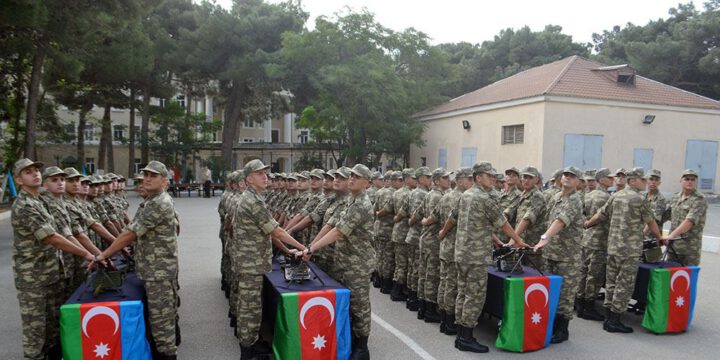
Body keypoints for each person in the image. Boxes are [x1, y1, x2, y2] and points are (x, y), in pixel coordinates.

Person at [93, 160, 180, 359]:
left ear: (164, 180)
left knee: (161, 323)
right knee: (161, 318)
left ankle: (167, 355)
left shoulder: (158, 203)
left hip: (158, 272)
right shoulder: (154, 200)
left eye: (153, 176)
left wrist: (104, 254)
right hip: (156, 268)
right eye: (145, 175)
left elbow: (130, 233)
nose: (147, 179)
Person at [11, 159, 97, 360]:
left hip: (50, 274)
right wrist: (86, 254)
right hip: (33, 279)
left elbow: (65, 233)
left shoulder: (40, 201)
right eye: (28, 172)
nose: (35, 174)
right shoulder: (24, 205)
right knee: (35, 333)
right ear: (18, 180)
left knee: (51, 329)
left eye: (36, 170)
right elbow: (51, 237)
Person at [228, 160, 307, 360]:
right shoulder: (252, 201)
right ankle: (247, 351)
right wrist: (302, 248)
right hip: (250, 263)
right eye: (259, 174)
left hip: (249, 261)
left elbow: (268, 233)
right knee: (250, 308)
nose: (265, 177)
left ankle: (250, 343)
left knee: (248, 304)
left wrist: (287, 250)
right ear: (248, 179)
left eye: (265, 173)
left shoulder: (253, 198)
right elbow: (277, 230)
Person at [304, 164, 376, 360]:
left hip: (357, 263)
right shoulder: (351, 202)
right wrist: (311, 245)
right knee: (344, 302)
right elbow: (331, 225)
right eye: (351, 175)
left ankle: (362, 347)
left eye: (357, 176)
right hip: (344, 260)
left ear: (367, 183)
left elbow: (338, 231)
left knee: (359, 305)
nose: (352, 178)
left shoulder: (361, 204)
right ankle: (349, 339)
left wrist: (311, 248)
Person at [454, 162, 528, 353]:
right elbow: (502, 223)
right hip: (476, 256)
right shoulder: (484, 198)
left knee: (463, 293)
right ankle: (467, 338)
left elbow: (475, 223)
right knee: (474, 296)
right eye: (489, 176)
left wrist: (494, 239)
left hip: (462, 253)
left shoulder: (466, 195)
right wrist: (518, 240)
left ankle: (461, 334)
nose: (493, 179)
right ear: (478, 177)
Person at [585, 168, 662, 333]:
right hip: (629, 250)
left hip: (612, 247)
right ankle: (615, 320)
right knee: (624, 284)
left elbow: (600, 216)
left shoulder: (615, 196)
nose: (645, 183)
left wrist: (586, 224)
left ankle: (608, 317)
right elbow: (651, 222)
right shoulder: (639, 199)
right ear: (633, 180)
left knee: (612, 282)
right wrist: (659, 237)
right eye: (643, 179)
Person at [533, 166, 584, 344]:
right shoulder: (555, 197)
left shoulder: (575, 200)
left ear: (578, 181)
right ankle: (550, 325)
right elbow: (548, 219)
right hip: (550, 253)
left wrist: (544, 238)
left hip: (568, 256)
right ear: (560, 178)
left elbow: (560, 221)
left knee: (565, 294)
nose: (568, 178)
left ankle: (562, 330)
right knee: (551, 290)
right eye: (566, 175)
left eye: (572, 176)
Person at [437, 167, 473, 335]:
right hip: (454, 247)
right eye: (469, 179)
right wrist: (444, 231)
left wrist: (442, 233)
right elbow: (452, 220)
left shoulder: (446, 197)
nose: (472, 182)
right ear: (460, 181)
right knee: (451, 286)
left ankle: (444, 319)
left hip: (445, 245)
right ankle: (449, 322)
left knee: (444, 283)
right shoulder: (461, 197)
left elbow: (435, 216)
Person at [576, 168, 613, 321]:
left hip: (587, 239)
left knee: (583, 272)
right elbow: (605, 217)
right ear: (601, 179)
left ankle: (579, 304)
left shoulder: (588, 195)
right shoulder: (606, 197)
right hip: (600, 240)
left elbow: (582, 214)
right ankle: (589, 307)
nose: (612, 180)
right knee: (594, 276)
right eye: (609, 178)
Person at [663, 169, 708, 266]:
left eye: (693, 179)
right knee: (670, 278)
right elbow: (664, 216)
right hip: (673, 248)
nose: (690, 182)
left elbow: (689, 222)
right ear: (681, 181)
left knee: (687, 279)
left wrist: (671, 235)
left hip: (689, 250)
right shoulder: (675, 197)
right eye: (687, 179)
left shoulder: (699, 199)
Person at [510, 166, 547, 269]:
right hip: (520, 243)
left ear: (536, 180)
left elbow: (527, 219)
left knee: (531, 279)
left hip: (531, 246)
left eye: (530, 178)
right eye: (524, 177)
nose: (526, 180)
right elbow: (508, 212)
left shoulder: (537, 196)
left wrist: (513, 238)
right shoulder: (523, 195)